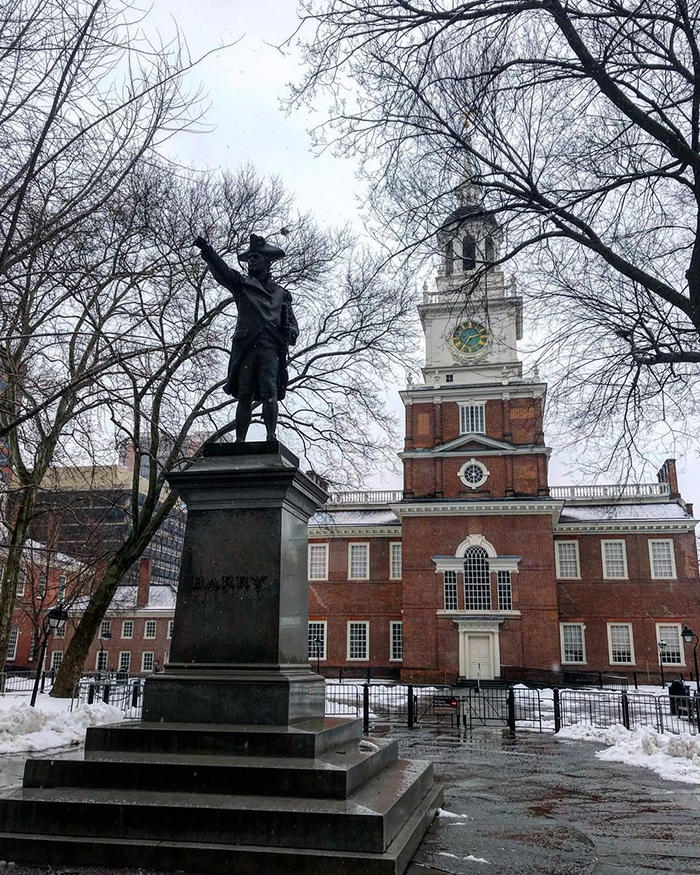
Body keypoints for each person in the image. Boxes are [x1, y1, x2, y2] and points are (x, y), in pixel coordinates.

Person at [194, 233, 298, 442]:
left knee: (270, 392)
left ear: (267, 263)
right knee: (244, 394)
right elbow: (223, 273)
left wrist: (290, 332)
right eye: (249, 258)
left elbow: (293, 327)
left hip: (270, 349)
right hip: (247, 348)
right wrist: (208, 252)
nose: (251, 261)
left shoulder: (281, 294)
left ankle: (270, 435)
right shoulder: (242, 284)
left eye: (256, 257)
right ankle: (240, 441)